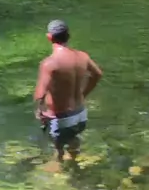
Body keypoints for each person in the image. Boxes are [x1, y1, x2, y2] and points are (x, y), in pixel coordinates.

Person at [34, 20, 102, 161]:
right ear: (68, 36)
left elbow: (40, 94)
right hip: (81, 114)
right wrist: (83, 94)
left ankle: (60, 167)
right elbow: (97, 74)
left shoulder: (49, 63)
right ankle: (75, 163)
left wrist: (40, 111)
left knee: (57, 150)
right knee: (73, 140)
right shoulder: (82, 56)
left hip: (61, 118)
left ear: (49, 37)